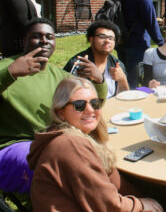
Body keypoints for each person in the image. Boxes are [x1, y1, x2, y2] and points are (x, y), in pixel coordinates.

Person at [28, 77, 166, 212]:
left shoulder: (60, 137)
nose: (90, 110)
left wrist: (136, 194)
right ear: (61, 112)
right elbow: (109, 209)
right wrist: (141, 204)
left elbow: (112, 183)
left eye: (95, 103)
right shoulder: (71, 146)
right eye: (79, 105)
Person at [0, 18, 107, 194]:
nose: (44, 41)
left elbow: (94, 105)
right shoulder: (6, 67)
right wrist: (11, 73)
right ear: (23, 41)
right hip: (15, 145)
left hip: (57, 143)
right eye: (37, 36)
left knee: (96, 154)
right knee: (62, 165)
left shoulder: (59, 75)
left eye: (50, 37)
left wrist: (99, 79)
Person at [64, 20, 129, 99]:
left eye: (111, 38)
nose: (107, 41)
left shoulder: (117, 65)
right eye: (102, 37)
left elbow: (125, 98)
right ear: (91, 40)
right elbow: (65, 96)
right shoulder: (78, 64)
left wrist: (122, 79)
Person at [117, 0, 164, 89]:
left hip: (121, 41)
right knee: (134, 80)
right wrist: (161, 42)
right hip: (137, 44)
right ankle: (134, 102)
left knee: (125, 78)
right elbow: (151, 21)